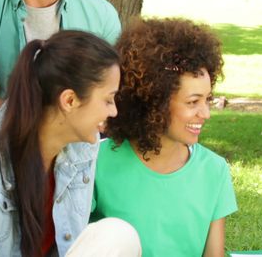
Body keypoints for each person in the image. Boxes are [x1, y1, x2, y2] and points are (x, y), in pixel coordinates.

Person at [0, 30, 141, 257]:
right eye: (108, 99)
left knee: (119, 236)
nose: (114, 111)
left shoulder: (83, 146)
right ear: (69, 100)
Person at [91, 17, 236, 257]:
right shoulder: (96, 164)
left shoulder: (214, 171)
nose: (206, 113)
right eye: (193, 102)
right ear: (154, 101)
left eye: (208, 99)